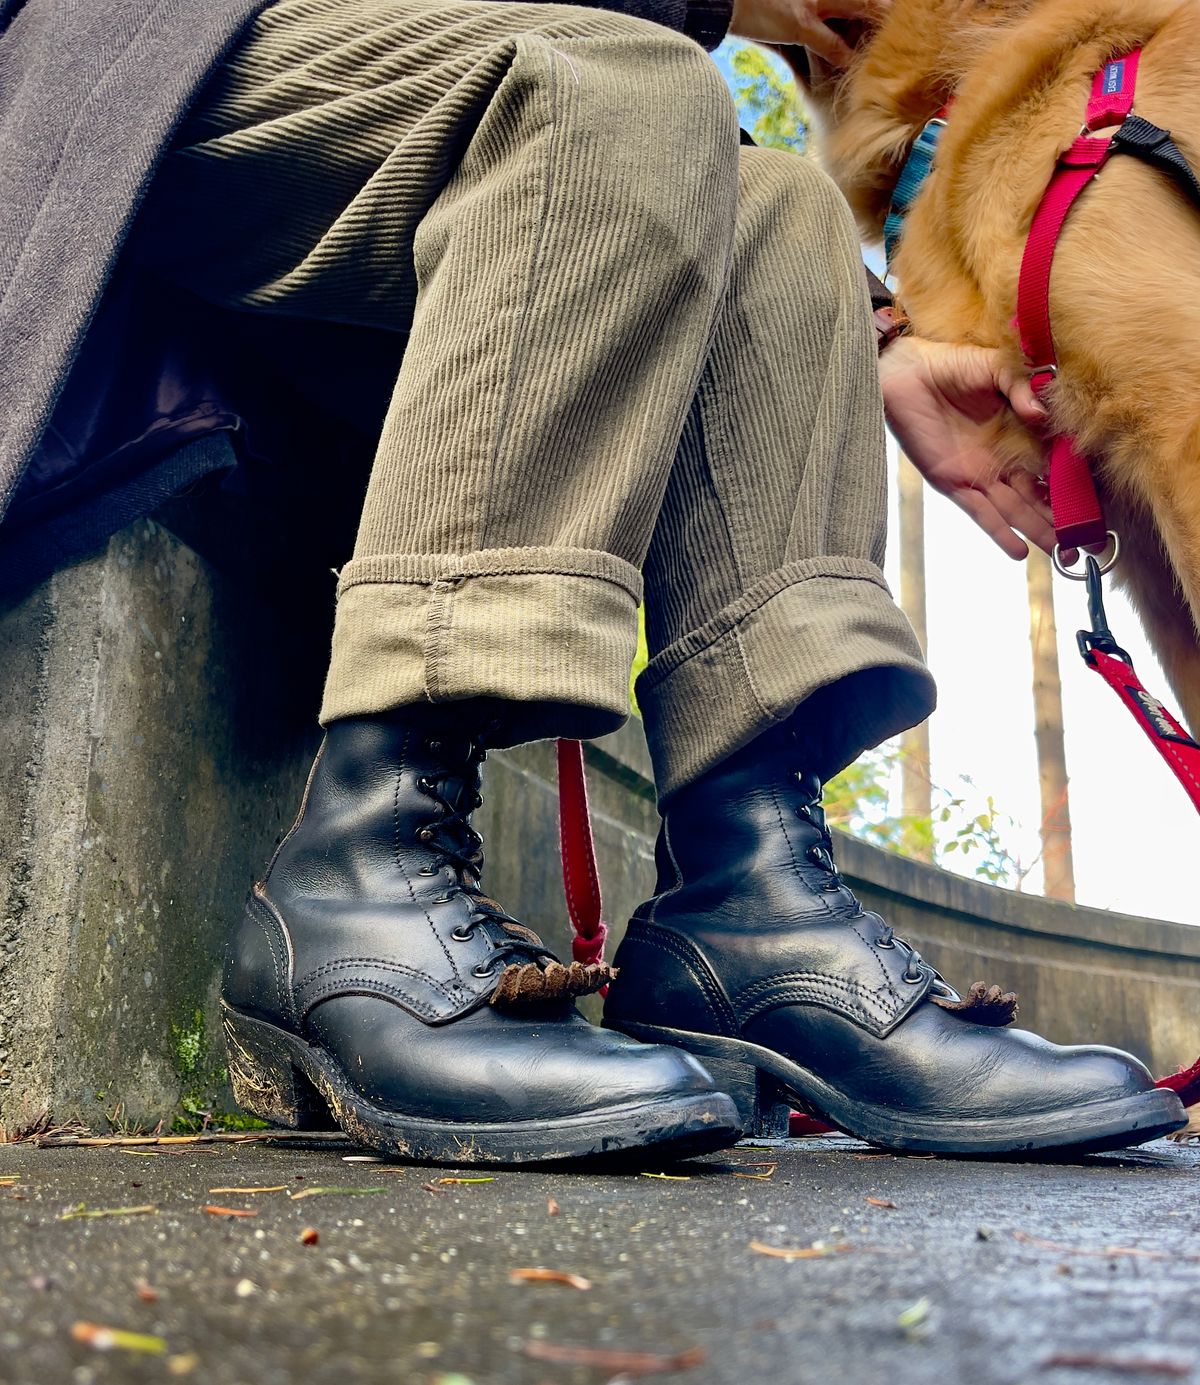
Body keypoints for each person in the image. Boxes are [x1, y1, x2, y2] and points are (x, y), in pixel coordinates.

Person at [0, 0, 1185, 1162]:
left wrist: (883, 336)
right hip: (137, 73)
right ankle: (367, 863)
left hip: (410, 102)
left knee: (780, 207)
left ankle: (752, 903)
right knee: (622, 77)